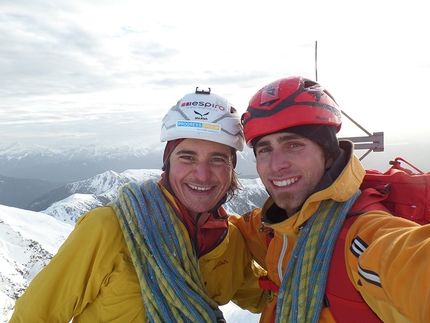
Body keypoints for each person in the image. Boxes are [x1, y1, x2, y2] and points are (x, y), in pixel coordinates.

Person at [9, 88, 266, 323]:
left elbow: (271, 298)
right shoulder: (109, 229)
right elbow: (33, 317)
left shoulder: (230, 242)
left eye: (217, 159)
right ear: (167, 163)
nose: (202, 174)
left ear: (232, 169)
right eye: (187, 157)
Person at [229, 76, 430, 323]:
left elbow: (410, 261)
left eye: (293, 144)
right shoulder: (274, 229)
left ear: (329, 154)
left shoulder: (365, 236)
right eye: (265, 149)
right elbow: (223, 240)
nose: (276, 165)